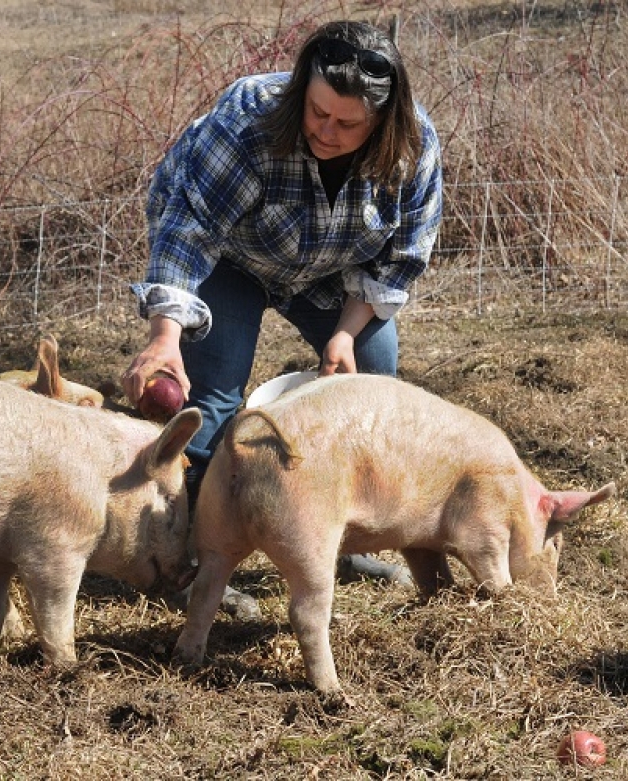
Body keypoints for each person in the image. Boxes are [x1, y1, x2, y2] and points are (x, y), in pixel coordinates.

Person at [122, 20, 442, 590]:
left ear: (382, 122)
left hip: (328, 270)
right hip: (231, 259)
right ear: (302, 89)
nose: (326, 130)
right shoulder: (248, 120)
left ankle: (337, 542)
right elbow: (190, 230)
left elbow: (398, 259)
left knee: (371, 380)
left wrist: (345, 334)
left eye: (348, 123)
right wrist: (166, 336)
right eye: (317, 112)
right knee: (213, 399)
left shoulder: (412, 149)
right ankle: (186, 558)